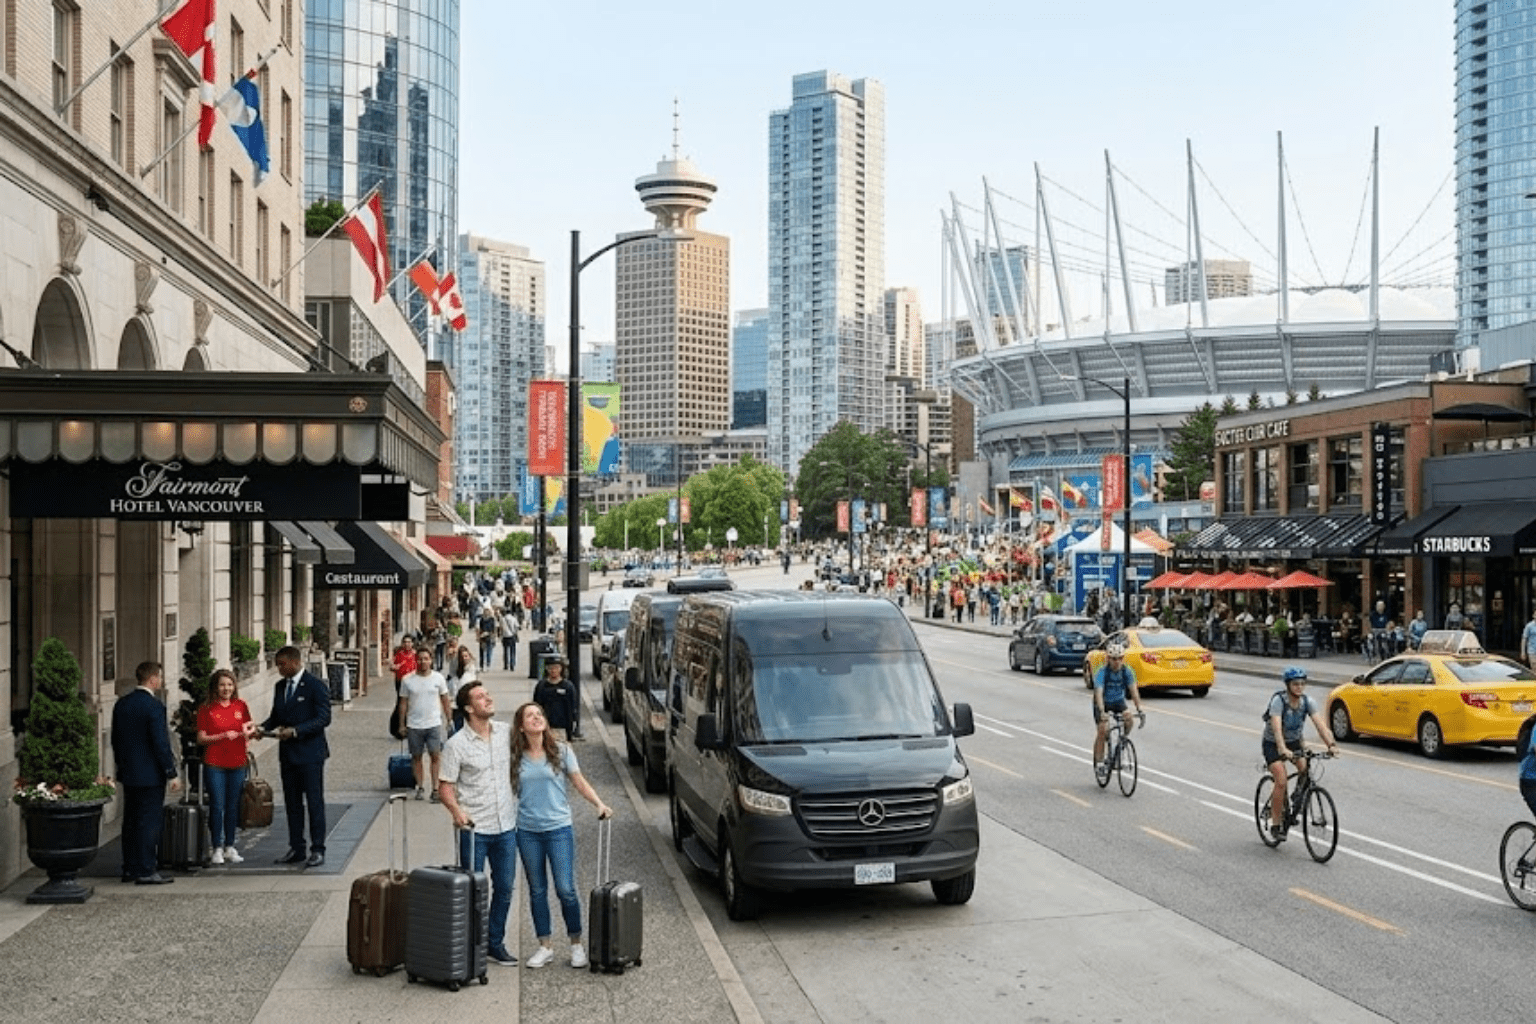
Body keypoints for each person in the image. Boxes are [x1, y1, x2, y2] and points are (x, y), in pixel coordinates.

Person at [511, 701, 612, 970]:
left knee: (566, 889)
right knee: (537, 890)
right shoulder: (513, 756)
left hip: (558, 828)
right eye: (529, 716)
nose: (536, 718)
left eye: (539, 714)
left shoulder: (562, 751)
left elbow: (579, 781)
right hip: (528, 831)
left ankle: (576, 944)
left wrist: (599, 804)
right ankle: (545, 946)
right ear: (521, 726)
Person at [439, 681, 519, 966]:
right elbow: (445, 786)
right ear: (469, 708)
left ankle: (494, 942)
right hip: (475, 830)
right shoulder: (455, 745)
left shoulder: (506, 733)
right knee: (473, 890)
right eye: (481, 697)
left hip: (506, 826)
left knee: (505, 888)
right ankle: (470, 946)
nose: (488, 698)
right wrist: (456, 812)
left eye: (488, 693)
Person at [259, 646, 332, 868]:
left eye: (281, 664)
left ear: (294, 662)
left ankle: (317, 848)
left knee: (314, 801)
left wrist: (297, 730)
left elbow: (323, 718)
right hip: (288, 754)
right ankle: (296, 847)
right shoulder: (280, 687)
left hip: (310, 753)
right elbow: (276, 716)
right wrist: (261, 728)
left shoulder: (315, 685)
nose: (279, 669)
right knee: (292, 803)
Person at [111, 660, 181, 885]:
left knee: (130, 821)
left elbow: (116, 740)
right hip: (150, 775)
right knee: (149, 822)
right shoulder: (154, 706)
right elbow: (160, 743)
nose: (160, 681)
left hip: (129, 773)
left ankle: (130, 867)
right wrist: (171, 772)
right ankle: (146, 868)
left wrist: (121, 766)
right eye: (159, 677)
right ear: (153, 679)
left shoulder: (122, 704)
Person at [1261, 666, 1337, 840]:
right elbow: (1277, 728)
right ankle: (1276, 823)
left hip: (1294, 742)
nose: (1299, 687)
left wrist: (1331, 744)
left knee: (1304, 767)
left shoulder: (1307, 702)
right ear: (1288, 685)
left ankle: (1296, 799)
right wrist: (1282, 748)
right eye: (1295, 684)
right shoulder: (1279, 701)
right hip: (1273, 743)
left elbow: (1320, 725)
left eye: (1302, 684)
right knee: (1281, 780)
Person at [195, 668, 255, 866]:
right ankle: (217, 847)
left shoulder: (241, 705)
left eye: (230, 684)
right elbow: (201, 738)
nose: (226, 688)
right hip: (215, 763)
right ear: (215, 687)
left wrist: (250, 733)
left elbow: (249, 727)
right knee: (217, 805)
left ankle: (230, 845)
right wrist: (221, 736)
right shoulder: (206, 709)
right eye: (222, 685)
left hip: (237, 761)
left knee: (233, 805)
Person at [398, 648, 451, 801]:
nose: (423, 662)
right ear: (416, 660)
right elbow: (403, 703)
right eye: (420, 659)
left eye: (426, 659)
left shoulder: (438, 679)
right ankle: (420, 786)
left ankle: (435, 788)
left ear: (431, 660)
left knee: (435, 756)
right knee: (416, 757)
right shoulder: (407, 680)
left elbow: (445, 699)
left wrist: (449, 718)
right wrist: (401, 724)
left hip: (433, 723)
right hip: (414, 724)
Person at [1091, 642, 1144, 769]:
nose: (1117, 662)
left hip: (1118, 701)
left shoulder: (1127, 671)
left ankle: (1122, 743)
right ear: (1108, 659)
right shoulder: (1102, 672)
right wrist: (1102, 712)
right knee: (1103, 730)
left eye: (1120, 658)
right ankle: (1099, 762)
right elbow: (1098, 693)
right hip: (1102, 702)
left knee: (1129, 719)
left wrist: (1139, 709)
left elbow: (1134, 691)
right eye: (1114, 659)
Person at [533, 656, 577, 742]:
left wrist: (570, 730)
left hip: (562, 728)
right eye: (550, 668)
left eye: (556, 667)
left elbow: (572, 708)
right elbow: (536, 706)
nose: (553, 670)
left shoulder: (568, 686)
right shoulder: (541, 686)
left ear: (561, 669)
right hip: (545, 727)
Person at [500, 602, 522, 672]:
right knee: (513, 651)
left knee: (505, 651)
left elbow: (501, 628)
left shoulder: (502, 619)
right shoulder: (513, 618)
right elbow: (518, 627)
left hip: (505, 636)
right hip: (512, 636)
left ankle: (506, 665)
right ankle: (512, 665)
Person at [477, 603, 499, 669]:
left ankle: (484, 663)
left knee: (485, 650)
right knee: (488, 650)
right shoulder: (491, 619)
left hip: (485, 636)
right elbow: (494, 628)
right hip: (488, 635)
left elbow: (480, 628)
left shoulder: (483, 619)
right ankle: (486, 663)